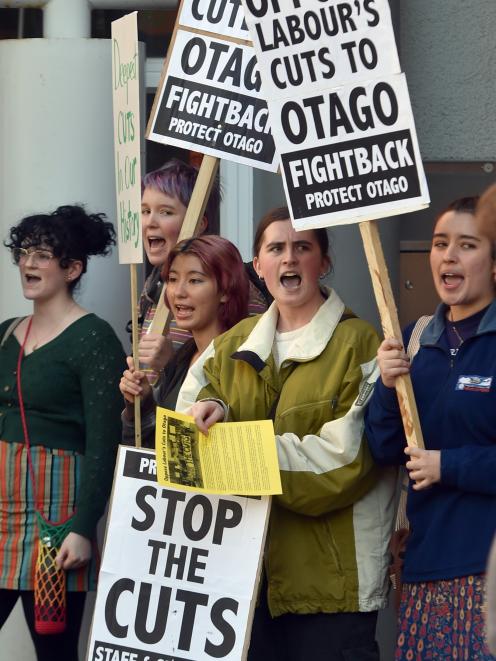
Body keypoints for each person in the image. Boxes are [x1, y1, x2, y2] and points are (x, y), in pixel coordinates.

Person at [182, 207, 396, 661]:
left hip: (331, 588)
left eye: (303, 247)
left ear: (324, 261)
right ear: (257, 266)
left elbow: (345, 460)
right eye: (275, 248)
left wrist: (240, 454)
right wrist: (213, 407)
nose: (289, 259)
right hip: (242, 586)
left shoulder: (359, 342)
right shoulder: (230, 344)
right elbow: (184, 432)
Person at [365, 197, 496, 660]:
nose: (449, 256)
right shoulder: (415, 338)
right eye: (440, 244)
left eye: (467, 245)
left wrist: (448, 466)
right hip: (425, 571)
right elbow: (382, 449)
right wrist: (385, 386)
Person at [0, 205, 125, 660]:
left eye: (42, 255)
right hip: (1, 513)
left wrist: (82, 527)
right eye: (23, 252)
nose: (28, 264)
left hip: (56, 524)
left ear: (72, 268)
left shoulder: (95, 339)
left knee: (54, 652)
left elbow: (104, 442)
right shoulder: (6, 333)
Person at [136, 159, 270, 379]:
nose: (150, 222)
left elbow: (246, 381)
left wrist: (172, 363)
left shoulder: (236, 287)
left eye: (165, 212)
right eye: (144, 211)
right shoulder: (154, 286)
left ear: (200, 223)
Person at [120, 235, 249, 447]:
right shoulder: (183, 357)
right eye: (172, 279)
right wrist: (142, 403)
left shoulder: (242, 360)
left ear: (225, 290)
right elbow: (158, 449)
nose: (179, 292)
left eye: (195, 280)